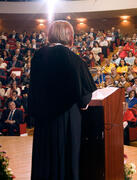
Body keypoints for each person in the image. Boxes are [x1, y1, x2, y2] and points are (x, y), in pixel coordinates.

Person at [29, 20, 97, 180]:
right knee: (66, 158)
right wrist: (83, 103)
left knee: (45, 159)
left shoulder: (38, 56)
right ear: (69, 36)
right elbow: (84, 95)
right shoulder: (72, 58)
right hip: (66, 119)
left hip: (43, 121)